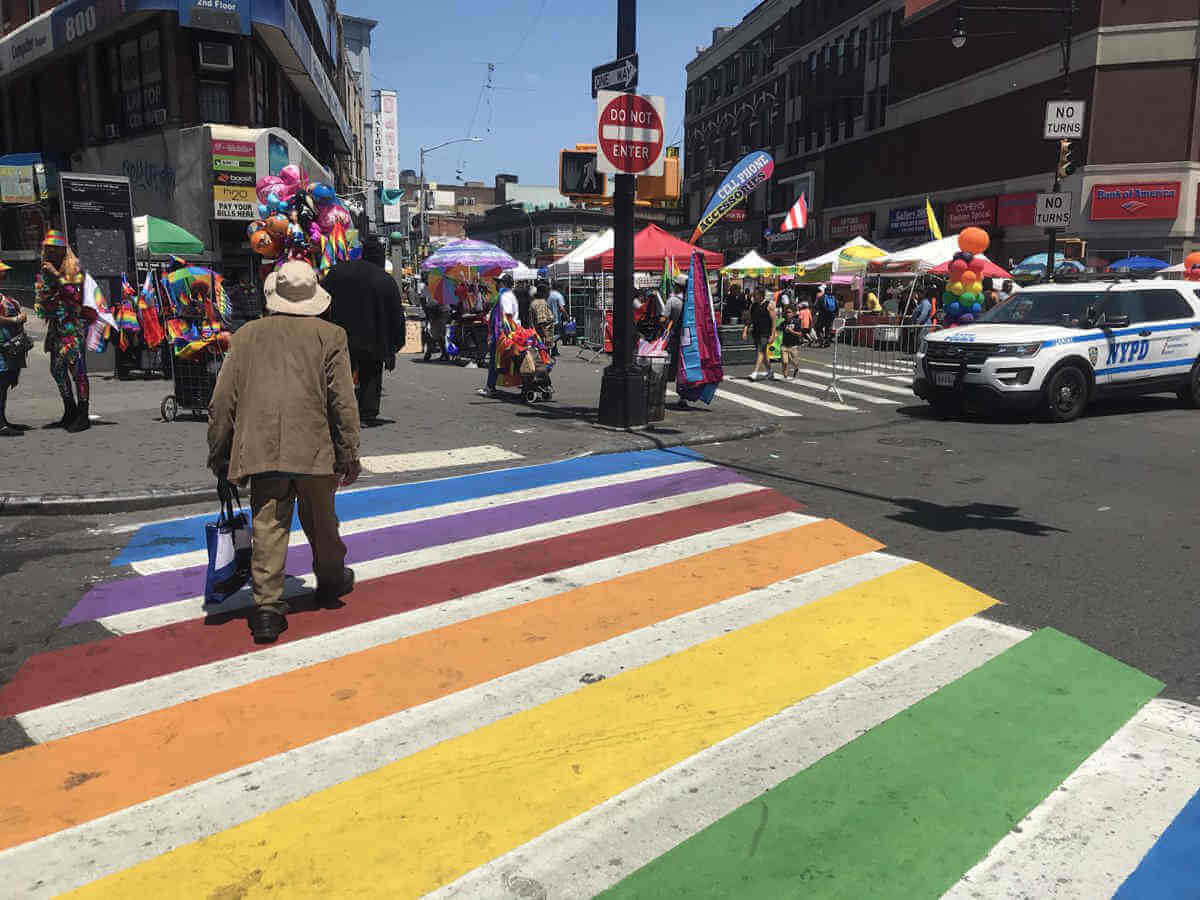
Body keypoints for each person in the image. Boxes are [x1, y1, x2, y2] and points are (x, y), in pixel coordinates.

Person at [208, 260, 361, 645]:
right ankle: (329, 582)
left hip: (262, 447)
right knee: (322, 522)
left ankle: (268, 609)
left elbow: (222, 401)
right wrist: (348, 452)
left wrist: (219, 452)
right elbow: (343, 401)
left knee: (268, 528)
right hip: (314, 447)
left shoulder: (245, 336)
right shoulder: (331, 335)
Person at [324, 238, 407, 425]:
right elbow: (396, 316)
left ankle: (339, 409)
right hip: (374, 340)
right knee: (371, 375)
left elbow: (321, 299)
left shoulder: (339, 272)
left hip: (340, 336)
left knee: (341, 375)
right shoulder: (386, 281)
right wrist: (393, 347)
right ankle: (367, 413)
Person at [35, 230, 94, 433]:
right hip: (56, 325)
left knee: (77, 370)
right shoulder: (47, 269)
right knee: (56, 369)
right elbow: (45, 295)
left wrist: (56, 275)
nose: (50, 252)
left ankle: (83, 415)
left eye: (54, 248)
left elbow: (75, 295)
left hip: (73, 325)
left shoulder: (74, 267)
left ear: (63, 249)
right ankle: (70, 410)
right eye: (47, 249)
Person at [0, 261, 29, 436]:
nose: (5, 275)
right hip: (2, 347)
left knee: (4, 384)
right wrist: (15, 320)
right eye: (2, 272)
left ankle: (2, 419)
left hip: (9, 347)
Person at [479, 272, 520, 397]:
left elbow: (506, 316)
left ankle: (490, 387)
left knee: (494, 361)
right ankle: (492, 386)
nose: (496, 284)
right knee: (501, 361)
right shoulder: (507, 295)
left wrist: (503, 335)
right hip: (506, 332)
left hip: (503, 333)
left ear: (504, 283)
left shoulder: (505, 296)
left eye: (498, 282)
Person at [743, 290, 776, 380]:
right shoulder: (753, 305)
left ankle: (755, 372)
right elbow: (749, 319)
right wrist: (745, 330)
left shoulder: (769, 305)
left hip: (766, 332)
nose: (754, 297)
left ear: (761, 295)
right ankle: (770, 371)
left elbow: (773, 321)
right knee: (763, 353)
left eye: (755, 295)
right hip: (756, 332)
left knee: (760, 351)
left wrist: (773, 334)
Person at [781, 306, 803, 379]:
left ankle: (796, 368)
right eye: (786, 312)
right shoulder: (784, 322)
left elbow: (800, 334)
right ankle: (785, 372)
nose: (788, 314)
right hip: (784, 345)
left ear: (793, 314)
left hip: (793, 345)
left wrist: (792, 331)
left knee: (794, 361)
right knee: (785, 361)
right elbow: (777, 329)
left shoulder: (796, 322)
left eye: (789, 312)